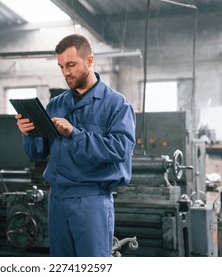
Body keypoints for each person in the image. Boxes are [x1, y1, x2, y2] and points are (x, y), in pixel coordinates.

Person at [15, 34, 136, 257]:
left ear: (89, 61)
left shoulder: (116, 105)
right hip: (58, 197)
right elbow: (37, 152)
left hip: (92, 198)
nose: (65, 72)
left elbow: (121, 149)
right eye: (61, 66)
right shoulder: (56, 104)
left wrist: (74, 133)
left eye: (71, 65)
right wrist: (29, 133)